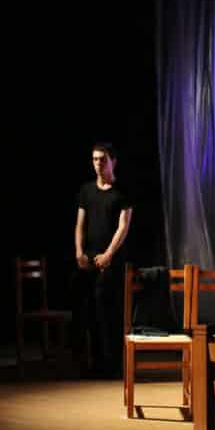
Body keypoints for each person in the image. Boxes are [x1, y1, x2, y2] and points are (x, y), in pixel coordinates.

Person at [73, 142, 132, 378]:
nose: (98, 164)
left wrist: (108, 254)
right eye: (95, 159)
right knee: (88, 308)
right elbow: (80, 224)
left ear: (113, 162)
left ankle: (112, 364)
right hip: (89, 258)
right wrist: (79, 251)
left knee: (107, 308)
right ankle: (93, 362)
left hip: (112, 259)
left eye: (103, 159)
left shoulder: (122, 191)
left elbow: (123, 227)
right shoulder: (86, 191)